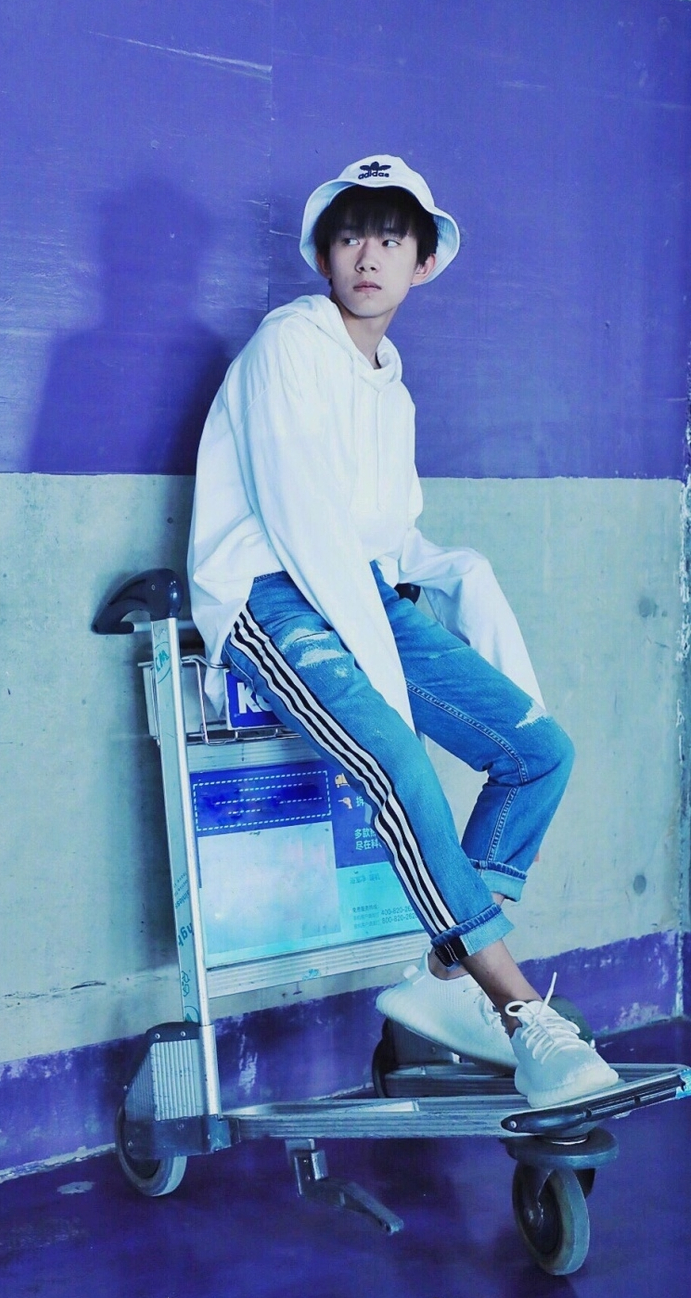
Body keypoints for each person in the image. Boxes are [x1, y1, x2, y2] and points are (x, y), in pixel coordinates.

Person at [187, 154, 619, 1109]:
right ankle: (518, 1012)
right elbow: (302, 523)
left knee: (539, 751)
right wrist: (385, 676)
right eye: (350, 236)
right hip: (271, 594)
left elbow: (384, 536)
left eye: (390, 238)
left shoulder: (392, 384)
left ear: (423, 263)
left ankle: (443, 978)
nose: (368, 255)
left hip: (361, 591)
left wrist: (461, 571)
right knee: (399, 758)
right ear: (324, 255)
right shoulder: (289, 345)